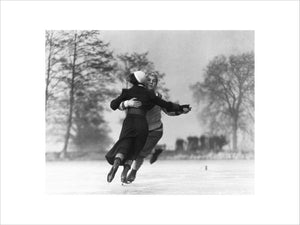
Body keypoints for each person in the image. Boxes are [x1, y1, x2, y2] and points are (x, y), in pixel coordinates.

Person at [105, 71, 189, 183]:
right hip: (141, 128)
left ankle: (131, 172)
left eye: (154, 81)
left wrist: (180, 111)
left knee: (138, 153)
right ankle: (148, 156)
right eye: (149, 80)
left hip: (154, 130)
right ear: (144, 81)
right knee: (132, 150)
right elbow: (120, 106)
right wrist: (127, 104)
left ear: (156, 84)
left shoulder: (157, 96)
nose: (151, 82)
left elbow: (168, 110)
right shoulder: (140, 93)